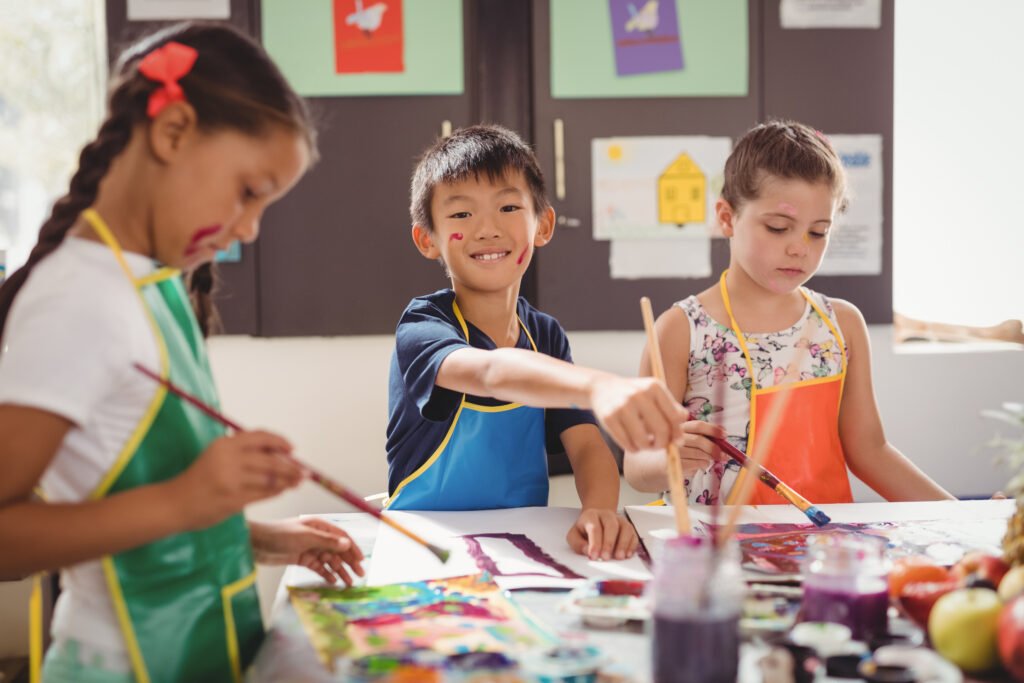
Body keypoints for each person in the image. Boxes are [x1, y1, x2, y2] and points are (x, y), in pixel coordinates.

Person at [0, 23, 363, 683]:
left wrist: (257, 536)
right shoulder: (75, 299)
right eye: (248, 191)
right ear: (172, 131)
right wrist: (191, 499)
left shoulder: (150, 283)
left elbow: (138, 502)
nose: (249, 227)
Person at [386, 124, 689, 560]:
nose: (487, 229)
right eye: (461, 214)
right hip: (424, 543)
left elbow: (585, 442)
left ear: (543, 225)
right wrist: (598, 385)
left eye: (508, 207)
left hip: (522, 543)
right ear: (426, 239)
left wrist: (600, 510)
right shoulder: (423, 326)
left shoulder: (544, 335)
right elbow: (491, 371)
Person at [623, 120, 954, 506]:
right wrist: (667, 463)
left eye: (818, 232)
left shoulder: (841, 325)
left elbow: (870, 450)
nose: (800, 248)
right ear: (727, 218)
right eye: (779, 228)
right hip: (716, 553)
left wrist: (962, 517)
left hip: (820, 549)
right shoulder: (681, 330)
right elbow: (636, 467)